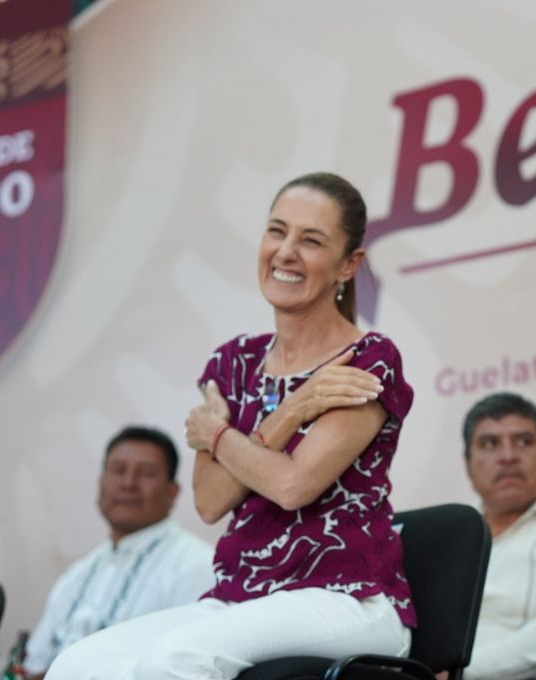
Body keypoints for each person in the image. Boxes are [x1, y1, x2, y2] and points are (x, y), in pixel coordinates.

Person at [47, 172, 416, 679]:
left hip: (346, 596)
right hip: (240, 594)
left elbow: (292, 485)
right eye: (276, 231)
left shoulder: (366, 358)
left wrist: (219, 436)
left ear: (348, 265)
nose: (285, 252)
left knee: (174, 660)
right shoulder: (233, 362)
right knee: (78, 665)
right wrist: (294, 409)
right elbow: (211, 499)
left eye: (311, 240)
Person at [23, 426, 213, 679]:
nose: (128, 483)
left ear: (172, 492)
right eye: (117, 470)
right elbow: (32, 667)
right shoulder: (77, 575)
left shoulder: (196, 566)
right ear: (101, 483)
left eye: (146, 473)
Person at [460, 393, 536, 680]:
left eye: (523, 441)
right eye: (489, 444)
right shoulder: (452, 538)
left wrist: (453, 673)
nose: (507, 456)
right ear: (468, 464)